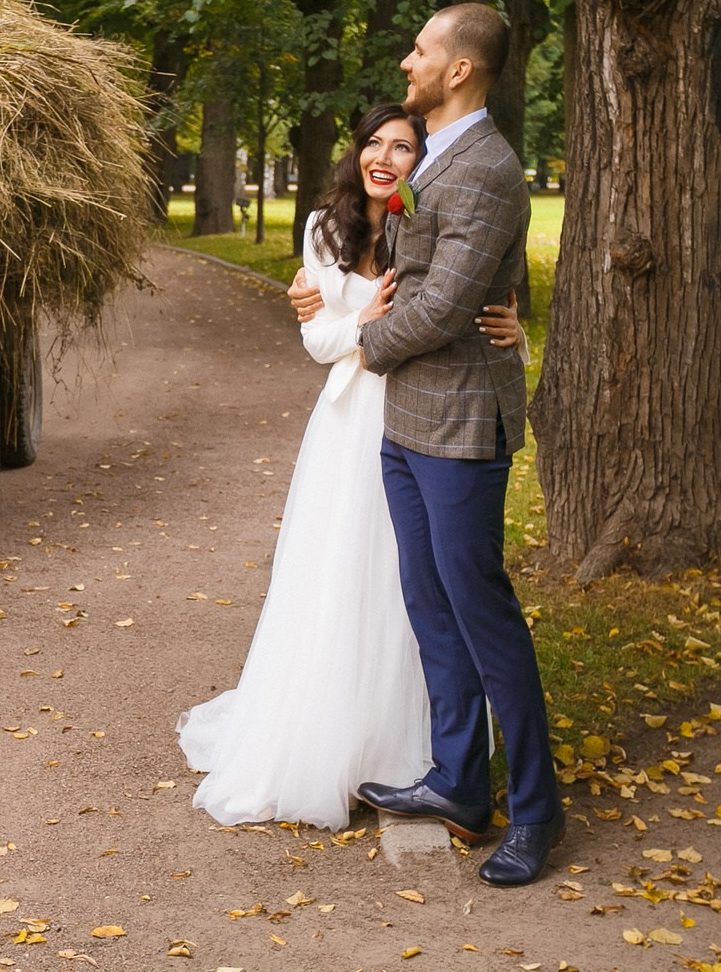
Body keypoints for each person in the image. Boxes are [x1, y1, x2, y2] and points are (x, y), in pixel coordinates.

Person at [177, 104, 525, 831]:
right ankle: (329, 738)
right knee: (341, 573)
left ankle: (421, 751)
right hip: (351, 418)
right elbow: (317, 340)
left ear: (421, 163)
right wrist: (361, 324)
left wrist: (511, 327)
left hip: (424, 411)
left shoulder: (422, 223)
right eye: (375, 142)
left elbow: (464, 302)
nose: (385, 157)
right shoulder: (324, 228)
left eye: (404, 147)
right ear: (357, 151)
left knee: (412, 588)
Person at [291, 3, 562, 887]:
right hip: (407, 421)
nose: (407, 61)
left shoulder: (485, 167)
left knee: (482, 615)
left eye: (421, 51)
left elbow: (446, 307)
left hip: (458, 424)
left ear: (460, 71)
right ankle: (457, 782)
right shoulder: (435, 158)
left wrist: (358, 343)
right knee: (429, 605)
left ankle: (536, 814)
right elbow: (419, 273)